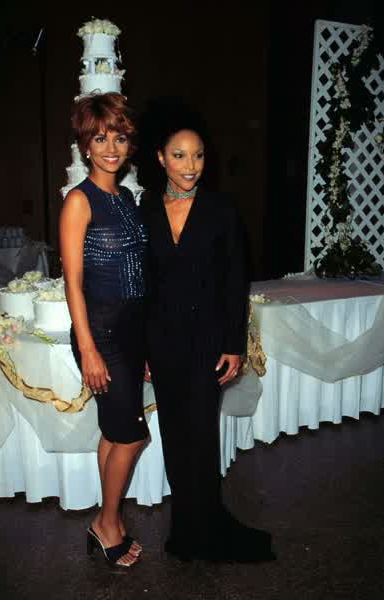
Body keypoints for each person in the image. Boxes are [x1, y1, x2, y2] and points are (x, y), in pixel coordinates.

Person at [140, 115, 275, 562]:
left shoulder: (220, 209)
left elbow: (236, 280)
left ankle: (206, 525)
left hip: (207, 341)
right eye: (179, 155)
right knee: (175, 436)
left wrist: (234, 344)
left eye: (197, 155)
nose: (190, 165)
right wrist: (142, 348)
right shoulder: (145, 210)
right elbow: (142, 284)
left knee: (200, 434)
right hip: (162, 341)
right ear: (161, 159)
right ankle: (186, 529)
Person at [59, 92, 148, 568]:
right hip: (102, 335)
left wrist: (145, 344)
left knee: (116, 432)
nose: (111, 148)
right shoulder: (80, 201)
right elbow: (72, 282)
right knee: (132, 435)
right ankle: (106, 522)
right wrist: (89, 349)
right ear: (85, 146)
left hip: (131, 334)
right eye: (100, 138)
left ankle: (108, 519)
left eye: (119, 137)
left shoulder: (127, 198)